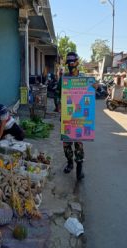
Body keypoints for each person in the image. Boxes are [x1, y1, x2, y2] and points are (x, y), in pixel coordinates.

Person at [58, 52, 85, 180]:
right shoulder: (63, 79)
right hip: (66, 116)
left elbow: (89, 96)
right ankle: (70, 163)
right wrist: (58, 105)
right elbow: (58, 93)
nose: (70, 65)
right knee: (66, 144)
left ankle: (79, 169)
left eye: (72, 62)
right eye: (68, 62)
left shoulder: (83, 79)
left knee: (79, 143)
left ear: (77, 62)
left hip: (79, 116)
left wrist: (94, 87)